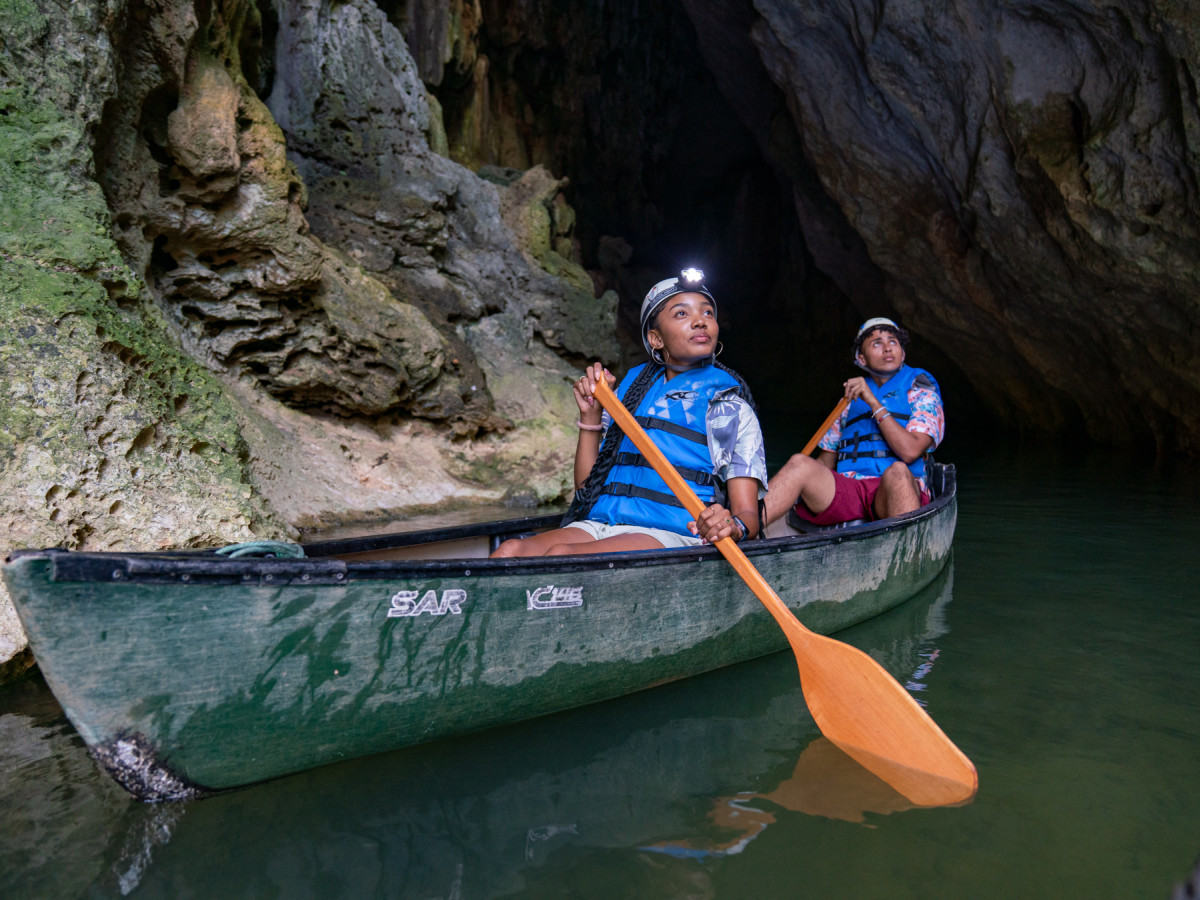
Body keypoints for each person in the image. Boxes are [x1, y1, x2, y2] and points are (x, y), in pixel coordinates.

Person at [491, 268, 768, 557]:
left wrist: (732, 526)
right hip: (602, 523)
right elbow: (586, 490)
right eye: (682, 314)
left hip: (670, 532)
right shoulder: (631, 393)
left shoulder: (728, 406)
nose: (701, 321)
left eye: (708, 313)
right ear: (656, 339)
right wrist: (591, 417)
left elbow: (748, 515)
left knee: (561, 554)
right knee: (509, 550)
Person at [760, 316, 944, 529]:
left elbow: (910, 451)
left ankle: (905, 556)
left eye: (893, 342)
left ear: (902, 353)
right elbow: (825, 463)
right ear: (862, 358)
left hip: (894, 489)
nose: (887, 348)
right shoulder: (849, 400)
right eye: (877, 343)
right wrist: (788, 483)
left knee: (899, 472)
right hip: (850, 489)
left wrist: (873, 403)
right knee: (799, 463)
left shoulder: (921, 392)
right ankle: (741, 529)